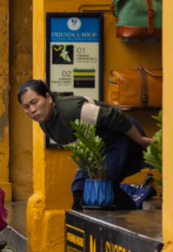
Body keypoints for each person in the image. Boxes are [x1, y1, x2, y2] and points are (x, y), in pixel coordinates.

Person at [17, 80, 152, 212]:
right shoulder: (44, 123)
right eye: (26, 106)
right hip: (94, 150)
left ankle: (136, 221)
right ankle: (79, 231)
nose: (32, 110)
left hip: (121, 136)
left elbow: (117, 117)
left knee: (104, 186)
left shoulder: (71, 109)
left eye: (35, 102)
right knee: (79, 189)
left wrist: (142, 141)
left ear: (48, 97)